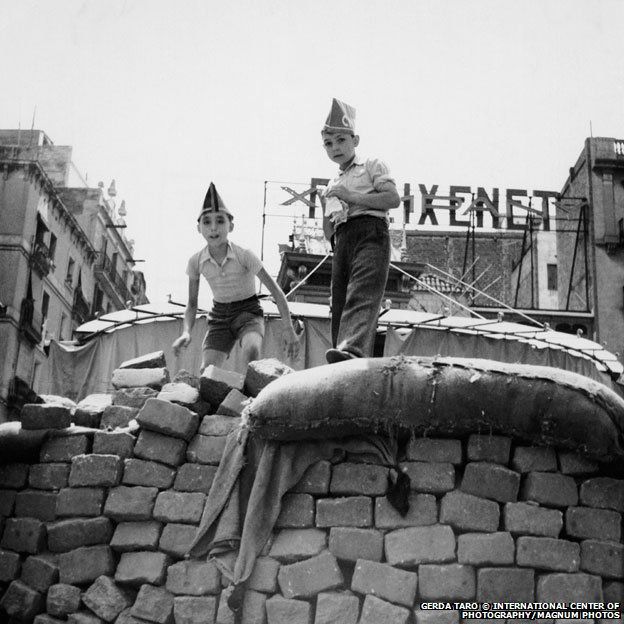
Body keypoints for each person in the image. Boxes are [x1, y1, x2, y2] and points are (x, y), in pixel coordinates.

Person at [172, 182, 300, 371]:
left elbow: (276, 291)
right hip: (219, 317)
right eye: (206, 222)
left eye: (220, 221)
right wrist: (186, 332)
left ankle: (251, 396)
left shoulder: (244, 255)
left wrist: (289, 328)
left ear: (231, 225)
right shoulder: (196, 261)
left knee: (251, 350)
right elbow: (191, 304)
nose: (214, 228)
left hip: (248, 312)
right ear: (198, 228)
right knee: (206, 370)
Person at [320, 99, 401, 363]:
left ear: (355, 140)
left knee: (362, 292)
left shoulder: (371, 165)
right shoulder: (333, 182)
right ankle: (339, 359)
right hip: (343, 238)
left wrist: (350, 196)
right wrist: (328, 209)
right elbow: (328, 230)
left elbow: (392, 199)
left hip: (371, 232)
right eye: (329, 144)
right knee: (339, 301)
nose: (336, 148)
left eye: (341, 140)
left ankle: (350, 351)